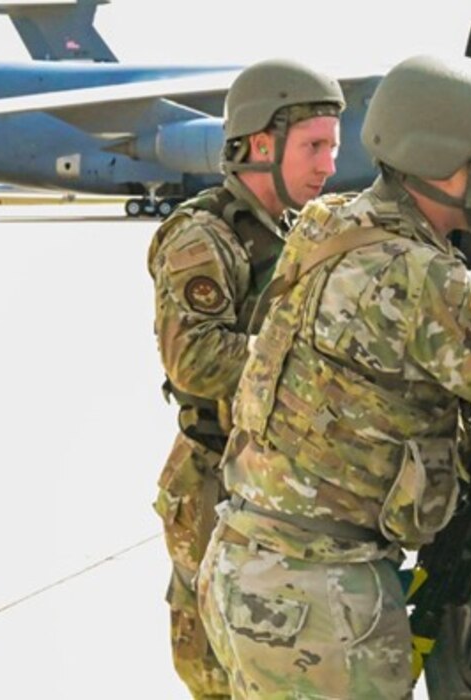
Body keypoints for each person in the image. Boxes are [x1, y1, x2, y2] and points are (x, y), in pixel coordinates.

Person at [195, 54, 471, 699]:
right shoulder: (415, 279)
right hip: (319, 597)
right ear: (444, 160)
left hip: (252, 566)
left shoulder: (331, 222)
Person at [147, 58, 344, 700]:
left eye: (332, 148)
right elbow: (196, 359)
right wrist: (308, 359)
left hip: (267, 478)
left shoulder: (292, 233)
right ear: (262, 144)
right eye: (315, 147)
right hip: (212, 477)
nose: (328, 166)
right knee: (217, 666)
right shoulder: (203, 237)